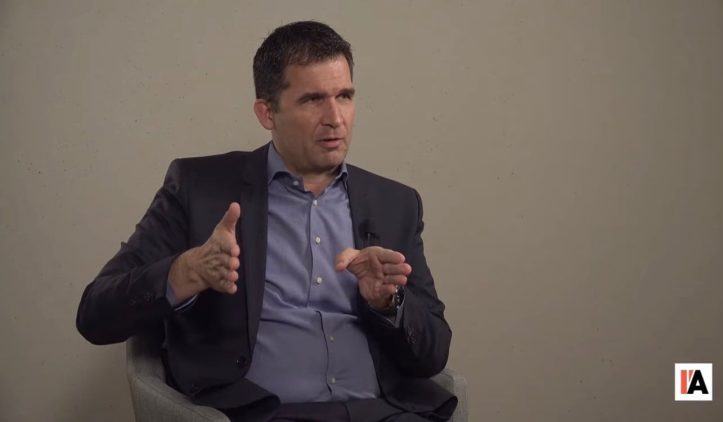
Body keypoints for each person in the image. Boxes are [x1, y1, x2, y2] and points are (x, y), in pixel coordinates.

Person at [76, 21, 455, 422]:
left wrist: (387, 303)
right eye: (312, 100)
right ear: (267, 112)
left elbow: (433, 354)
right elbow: (95, 315)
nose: (335, 118)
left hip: (382, 413)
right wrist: (185, 272)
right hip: (267, 413)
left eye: (344, 96)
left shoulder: (396, 203)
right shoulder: (199, 190)